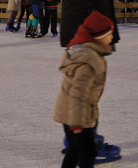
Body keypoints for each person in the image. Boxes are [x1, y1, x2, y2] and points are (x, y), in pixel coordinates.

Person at [53, 10, 118, 167]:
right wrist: (76, 123)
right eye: (110, 34)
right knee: (87, 153)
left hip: (76, 114)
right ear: (99, 37)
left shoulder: (91, 55)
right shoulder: (88, 63)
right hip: (76, 116)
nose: (112, 38)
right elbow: (77, 94)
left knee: (74, 151)